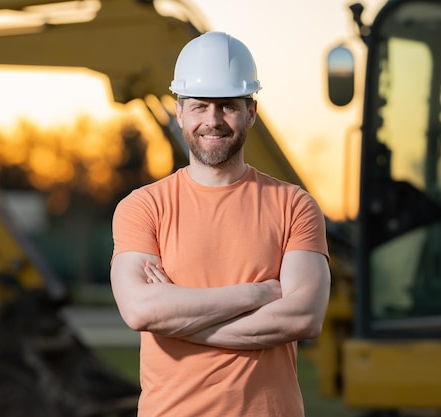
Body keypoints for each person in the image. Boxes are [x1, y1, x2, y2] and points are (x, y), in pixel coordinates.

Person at [110, 31, 331, 417]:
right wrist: (256, 296)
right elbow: (141, 312)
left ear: (251, 112)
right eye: (199, 106)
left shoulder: (295, 205)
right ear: (179, 112)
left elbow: (304, 316)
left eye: (227, 106)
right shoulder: (143, 207)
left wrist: (178, 319)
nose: (212, 120)